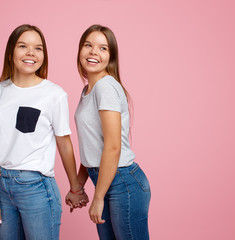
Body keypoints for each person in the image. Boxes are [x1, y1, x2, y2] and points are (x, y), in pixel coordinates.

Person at [0, 24, 88, 240]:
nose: (31, 53)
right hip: (3, 187)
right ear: (10, 52)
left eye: (38, 48)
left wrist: (75, 187)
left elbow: (64, 143)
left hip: (36, 188)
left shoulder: (54, 94)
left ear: (44, 56)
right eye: (23, 46)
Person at [73, 24, 151, 239]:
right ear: (80, 49)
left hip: (122, 181)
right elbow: (92, 146)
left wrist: (98, 198)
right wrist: (78, 186)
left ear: (111, 56)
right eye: (88, 45)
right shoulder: (88, 89)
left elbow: (113, 146)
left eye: (103, 48)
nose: (93, 52)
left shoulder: (105, 87)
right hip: (105, 179)